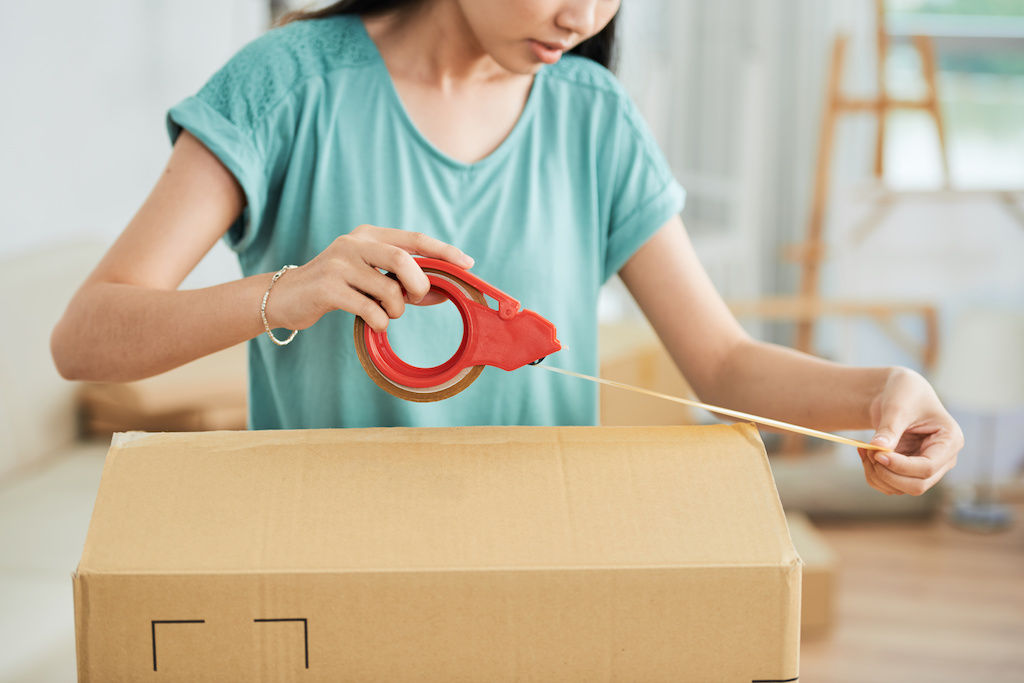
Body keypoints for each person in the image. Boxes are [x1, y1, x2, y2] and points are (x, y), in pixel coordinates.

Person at [51, 0, 961, 496]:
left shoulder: (594, 117)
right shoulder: (285, 85)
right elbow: (86, 337)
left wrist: (880, 393)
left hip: (535, 545)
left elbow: (720, 362)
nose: (584, 18)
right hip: (317, 548)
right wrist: (287, 292)